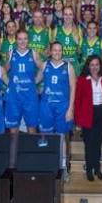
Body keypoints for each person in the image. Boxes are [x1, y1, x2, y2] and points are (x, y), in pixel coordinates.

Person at [36, 42, 76, 182]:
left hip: (62, 106)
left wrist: (71, 108)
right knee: (45, 136)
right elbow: (35, 80)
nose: (57, 53)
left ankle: (63, 167)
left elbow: (73, 88)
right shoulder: (45, 65)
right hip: (46, 105)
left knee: (61, 137)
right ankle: (45, 165)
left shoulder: (68, 67)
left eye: (60, 50)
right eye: (55, 50)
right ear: (50, 51)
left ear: (62, 52)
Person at [75, 54, 102, 181]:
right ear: (88, 66)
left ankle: (97, 169)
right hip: (87, 114)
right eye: (92, 65)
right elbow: (78, 99)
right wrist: (78, 118)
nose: (94, 67)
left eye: (97, 64)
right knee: (89, 144)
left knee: (98, 143)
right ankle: (89, 170)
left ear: (100, 66)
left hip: (100, 113)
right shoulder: (82, 79)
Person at [3, 29, 42, 133]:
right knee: (13, 129)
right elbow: (3, 71)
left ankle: (30, 150)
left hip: (30, 97)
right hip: (14, 97)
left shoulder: (33, 53)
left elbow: (44, 69)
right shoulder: (10, 54)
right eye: (20, 39)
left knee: (31, 128)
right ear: (16, 40)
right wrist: (9, 84)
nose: (23, 41)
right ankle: (14, 149)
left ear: (28, 40)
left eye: (25, 39)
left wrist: (36, 80)